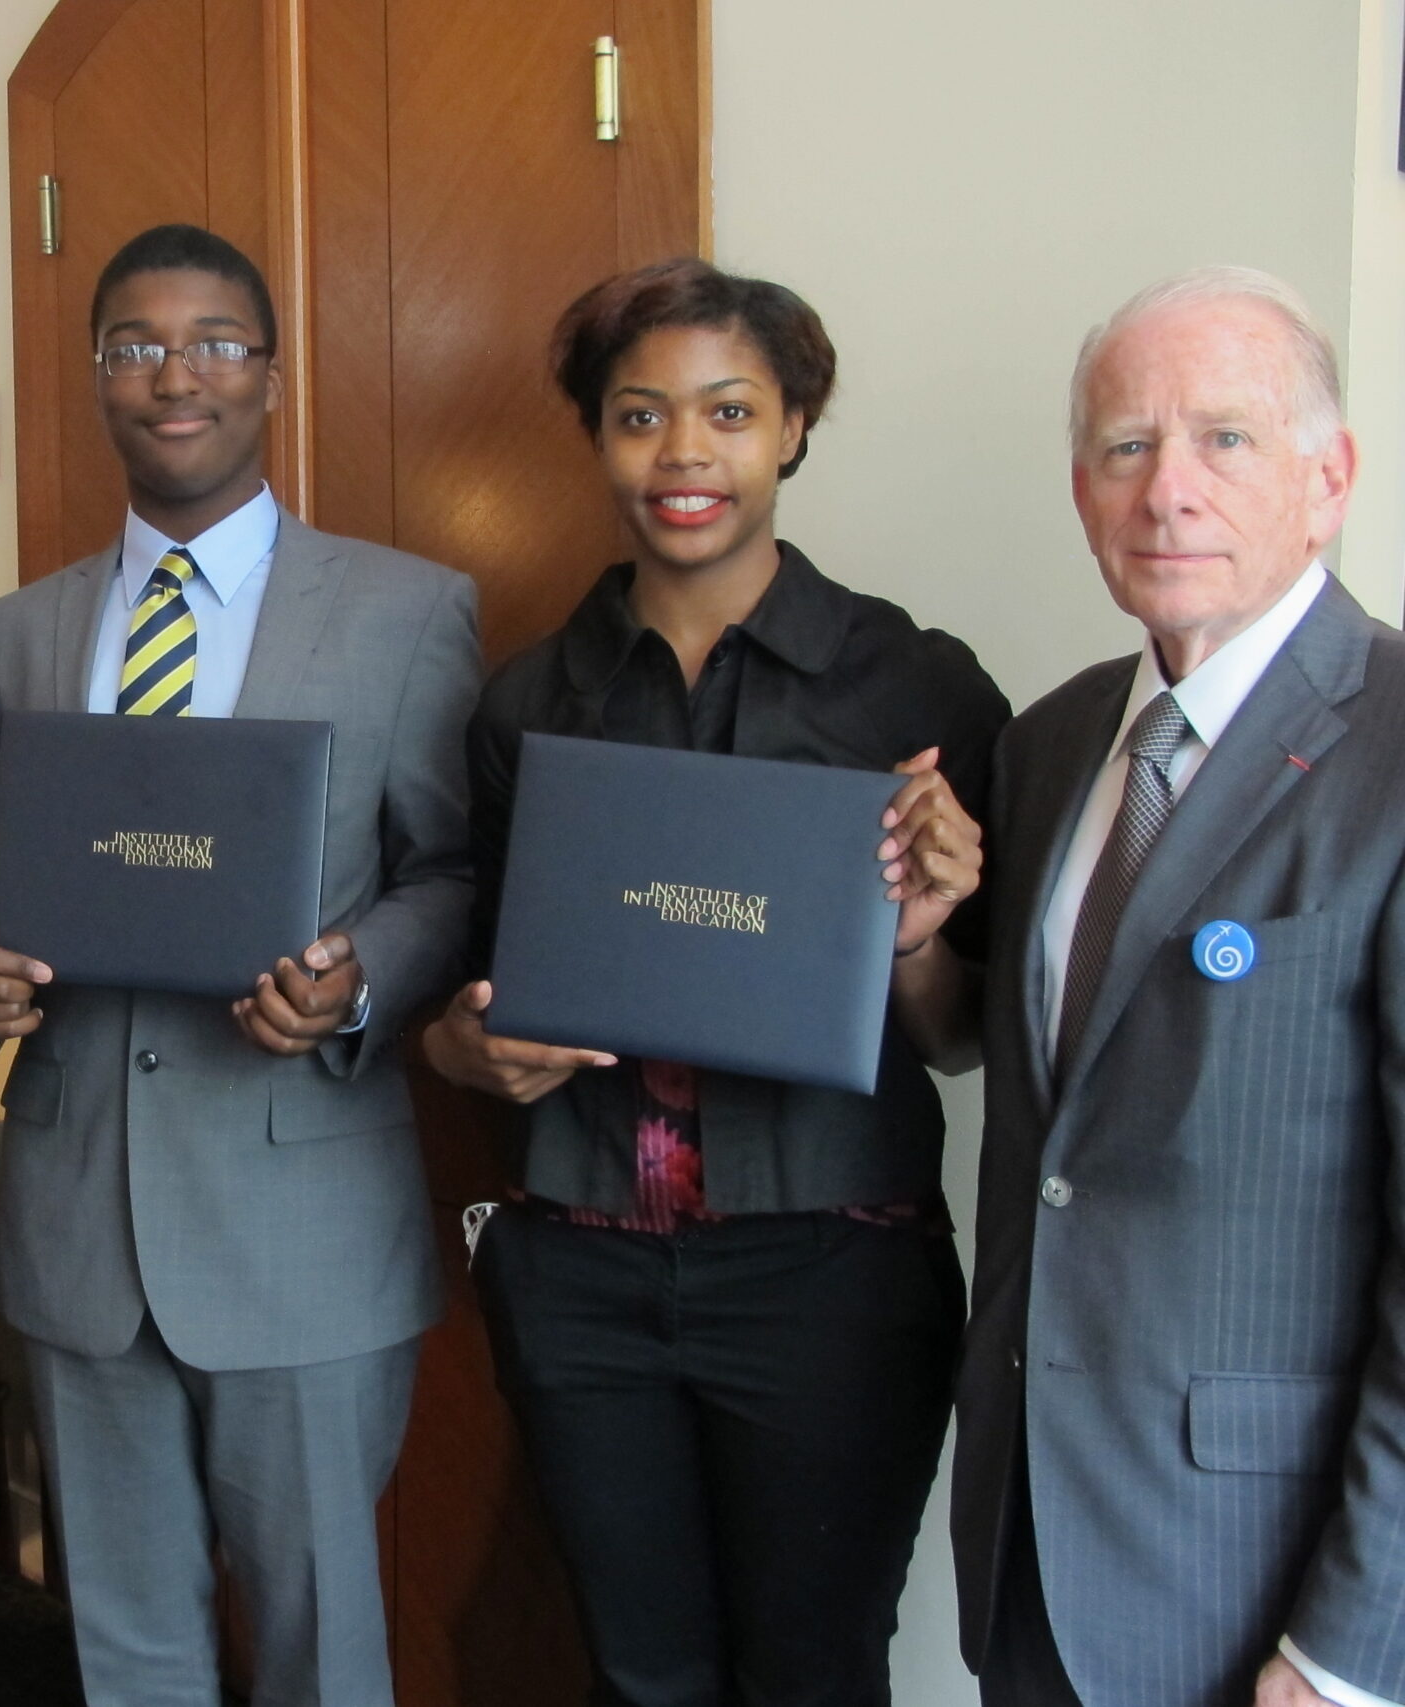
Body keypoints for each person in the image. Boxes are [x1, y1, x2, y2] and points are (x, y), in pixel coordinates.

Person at [419, 257, 1007, 1707]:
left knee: (812, 1675)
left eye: (729, 412)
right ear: (597, 438)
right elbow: (487, 996)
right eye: (639, 416)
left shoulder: (913, 688)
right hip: (582, 1264)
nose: (683, 454)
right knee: (642, 1673)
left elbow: (963, 1040)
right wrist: (464, 1051)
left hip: (831, 1272)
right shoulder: (527, 703)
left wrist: (926, 929)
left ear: (794, 426)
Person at [0, 223, 479, 1707]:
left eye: (215, 344)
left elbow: (451, 868)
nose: (176, 377)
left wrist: (357, 976)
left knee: (320, 1650)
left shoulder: (403, 613)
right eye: (135, 346)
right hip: (76, 1223)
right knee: (127, 1654)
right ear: (98, 377)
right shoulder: (22, 634)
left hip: (299, 1229)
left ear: (273, 377)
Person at [951, 268, 1405, 1707]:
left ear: (1329, 478)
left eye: (1226, 438)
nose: (1169, 492)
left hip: (1263, 1579)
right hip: (1033, 1545)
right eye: (1126, 447)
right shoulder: (1049, 745)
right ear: (1082, 490)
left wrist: (1349, 1650)